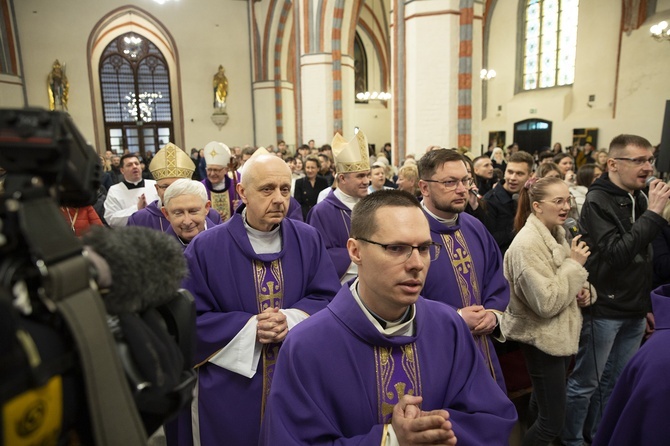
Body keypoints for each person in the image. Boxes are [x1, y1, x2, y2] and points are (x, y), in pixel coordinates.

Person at [260, 190, 518, 445]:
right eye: (396, 248)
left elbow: (492, 417)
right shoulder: (307, 345)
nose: (416, 263)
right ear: (355, 251)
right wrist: (390, 439)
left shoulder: (449, 326)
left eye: (425, 248)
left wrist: (431, 432)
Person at [181, 153, 341, 446]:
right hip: (232, 384)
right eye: (267, 189)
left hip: (296, 376)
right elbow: (189, 320)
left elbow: (329, 298)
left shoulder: (309, 239)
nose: (279, 199)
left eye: (285, 189)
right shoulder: (205, 248)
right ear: (242, 192)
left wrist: (290, 319)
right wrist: (250, 327)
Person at [562, 134, 670, 446]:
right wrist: (655, 214)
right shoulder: (597, 201)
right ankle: (572, 440)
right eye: (639, 160)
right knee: (587, 383)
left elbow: (645, 258)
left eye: (650, 160)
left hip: (634, 307)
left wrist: (647, 304)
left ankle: (600, 435)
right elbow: (618, 253)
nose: (648, 167)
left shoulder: (639, 196)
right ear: (612, 164)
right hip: (605, 307)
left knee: (618, 382)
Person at [503, 176, 594, 446]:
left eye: (568, 200)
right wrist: (575, 266)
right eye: (558, 201)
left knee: (541, 406)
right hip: (542, 338)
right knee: (552, 421)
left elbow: (565, 285)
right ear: (537, 206)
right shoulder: (526, 245)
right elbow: (546, 303)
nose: (566, 206)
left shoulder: (556, 233)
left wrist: (585, 292)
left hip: (556, 335)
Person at [418, 149, 510, 392]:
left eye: (465, 181)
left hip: (482, 347)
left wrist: (493, 313)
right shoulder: (408, 232)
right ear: (424, 187)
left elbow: (496, 277)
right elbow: (398, 297)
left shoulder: (474, 226)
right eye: (450, 182)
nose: (462, 189)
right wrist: (456, 318)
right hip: (434, 351)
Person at [592, 284, 670, 446]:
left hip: (635, 310)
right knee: (591, 383)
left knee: (612, 381)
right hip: (608, 310)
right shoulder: (661, 359)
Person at [307, 130, 370, 284]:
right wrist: (367, 257)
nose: (367, 181)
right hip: (340, 290)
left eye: (368, 175)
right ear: (342, 178)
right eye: (360, 176)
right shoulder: (321, 212)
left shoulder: (373, 208)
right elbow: (319, 256)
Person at [128, 143, 221, 231]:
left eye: (179, 185)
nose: (171, 192)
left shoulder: (210, 215)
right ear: (157, 189)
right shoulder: (139, 220)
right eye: (165, 187)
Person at [483, 150, 534, 255]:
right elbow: (488, 240)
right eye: (510, 172)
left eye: (519, 173)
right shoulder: (490, 201)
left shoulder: (532, 198)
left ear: (530, 176)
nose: (512, 178)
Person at [103, 153, 159, 227]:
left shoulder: (154, 185)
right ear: (122, 170)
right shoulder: (115, 190)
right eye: (129, 165)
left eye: (136, 163)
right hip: (129, 235)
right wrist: (137, 208)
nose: (134, 166)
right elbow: (111, 219)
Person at [161, 179, 215, 248]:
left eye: (193, 211)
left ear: (206, 207)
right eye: (179, 213)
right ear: (166, 214)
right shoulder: (157, 253)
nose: (187, 222)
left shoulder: (226, 241)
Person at [201, 141, 241, 222]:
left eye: (216, 170)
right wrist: (211, 216)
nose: (212, 173)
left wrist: (240, 206)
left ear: (226, 170)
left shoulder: (235, 186)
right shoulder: (200, 188)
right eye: (209, 170)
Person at [293, 155, 328, 220]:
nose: (310, 170)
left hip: (320, 215)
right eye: (308, 167)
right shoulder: (299, 182)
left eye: (313, 167)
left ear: (318, 168)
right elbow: (297, 204)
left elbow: (326, 201)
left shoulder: (323, 181)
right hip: (305, 217)